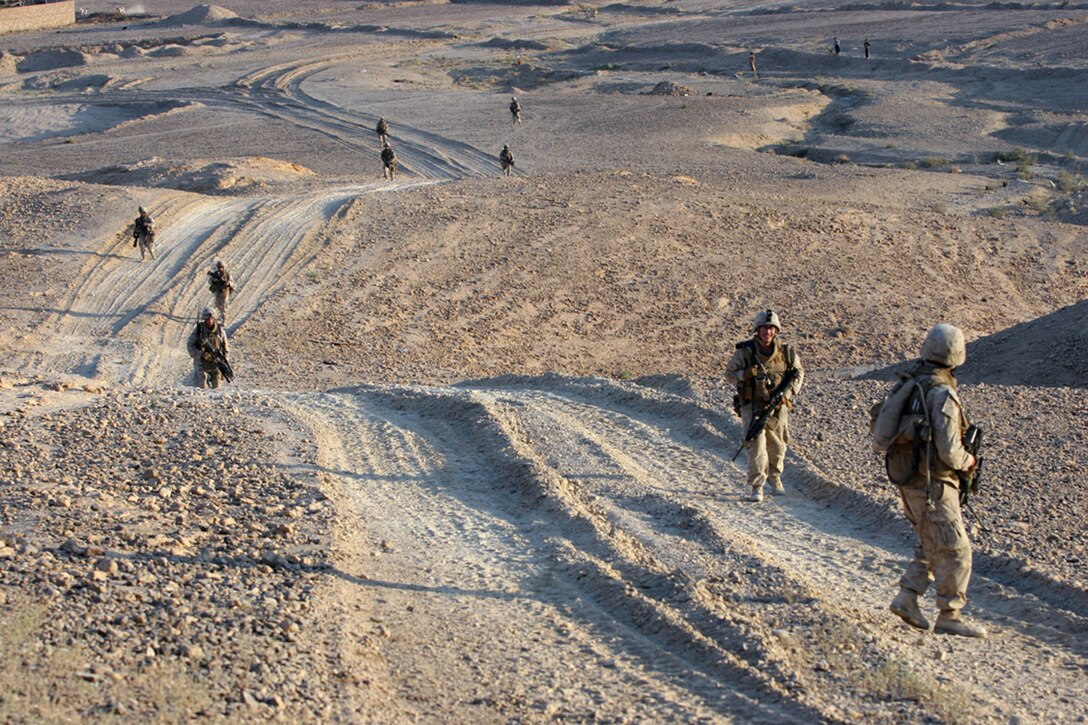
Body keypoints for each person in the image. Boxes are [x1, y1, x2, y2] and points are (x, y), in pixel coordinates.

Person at [887, 323, 986, 638]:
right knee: (956, 549)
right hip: (933, 482)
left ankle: (908, 597)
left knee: (931, 541)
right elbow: (949, 449)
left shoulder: (910, 383)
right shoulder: (942, 392)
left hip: (909, 478)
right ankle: (950, 615)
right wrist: (968, 462)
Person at [724, 309, 804, 502]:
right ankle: (757, 485)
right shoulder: (745, 352)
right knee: (757, 445)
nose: (767, 332)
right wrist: (745, 375)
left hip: (778, 405)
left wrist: (786, 393)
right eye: (764, 328)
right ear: (757, 330)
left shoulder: (786, 352)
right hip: (752, 405)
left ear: (775, 331)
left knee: (778, 445)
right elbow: (729, 374)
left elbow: (798, 373)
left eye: (771, 328)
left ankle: (775, 477)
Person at [187, 308, 229, 389]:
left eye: (210, 319)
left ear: (214, 319)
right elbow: (190, 345)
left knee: (217, 387)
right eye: (206, 319)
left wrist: (224, 360)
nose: (208, 321)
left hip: (216, 362)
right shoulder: (199, 330)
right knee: (201, 387)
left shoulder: (220, 331)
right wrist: (200, 354)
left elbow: (225, 348)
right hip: (201, 362)